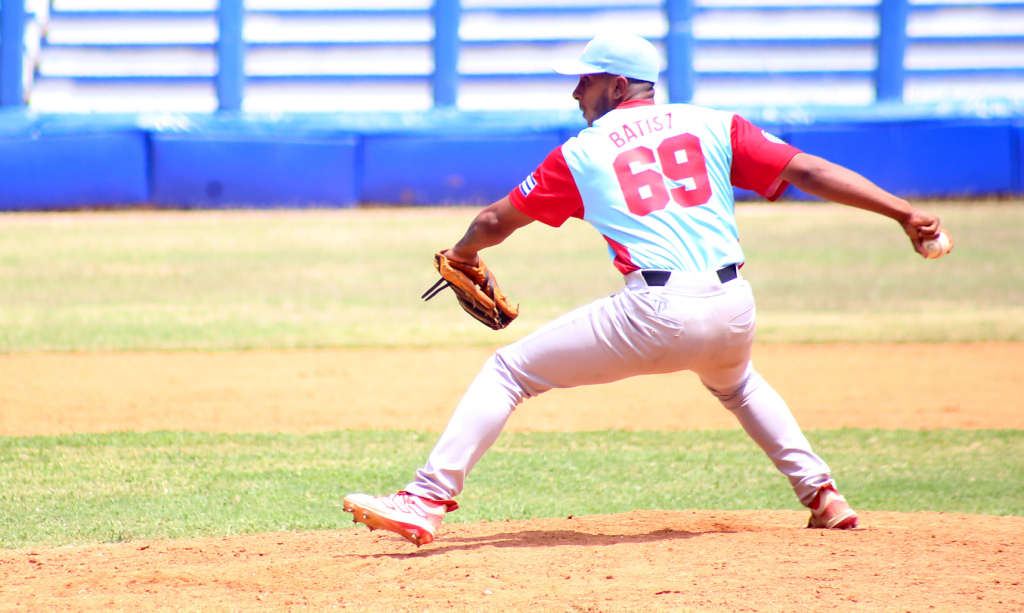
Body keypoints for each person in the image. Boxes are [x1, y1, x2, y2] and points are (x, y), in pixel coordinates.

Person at [343, 34, 950, 546]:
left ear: (617, 84)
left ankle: (424, 500)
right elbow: (809, 170)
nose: (576, 92)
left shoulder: (582, 151)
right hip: (734, 306)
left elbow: (496, 220)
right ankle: (823, 495)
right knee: (737, 383)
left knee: (508, 372)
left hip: (656, 310)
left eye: (585, 80)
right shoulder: (714, 124)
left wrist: (462, 253)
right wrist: (902, 212)